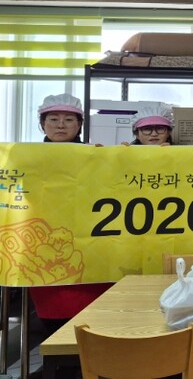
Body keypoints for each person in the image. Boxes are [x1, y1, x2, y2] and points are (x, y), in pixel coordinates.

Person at [31, 94, 113, 333]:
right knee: (54, 312)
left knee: (93, 313)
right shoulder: (27, 157)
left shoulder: (96, 155)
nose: (60, 125)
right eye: (53, 119)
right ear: (42, 124)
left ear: (79, 125)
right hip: (44, 242)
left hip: (89, 239)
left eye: (68, 120)